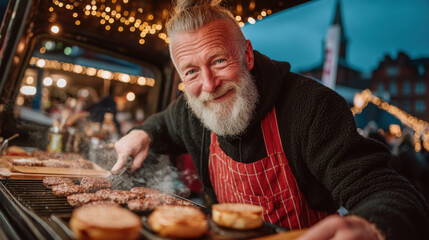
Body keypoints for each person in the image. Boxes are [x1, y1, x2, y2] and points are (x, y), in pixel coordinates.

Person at [112, 0, 429, 239]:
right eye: (192, 71)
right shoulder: (193, 109)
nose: (208, 85)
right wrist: (143, 133)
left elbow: (388, 191)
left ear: (247, 56)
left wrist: (369, 226)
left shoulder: (311, 107)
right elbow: (166, 122)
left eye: (219, 61)